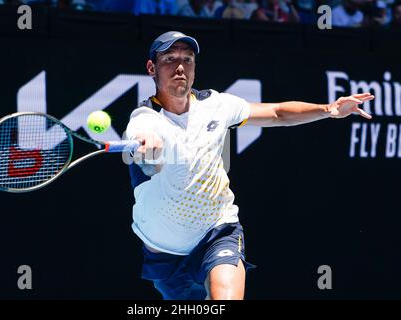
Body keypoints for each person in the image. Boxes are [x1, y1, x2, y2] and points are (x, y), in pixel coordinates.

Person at [125, 31, 374, 300]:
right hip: (164, 251)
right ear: (152, 68)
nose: (180, 67)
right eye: (170, 59)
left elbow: (278, 113)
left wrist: (329, 109)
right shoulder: (144, 118)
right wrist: (148, 150)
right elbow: (144, 145)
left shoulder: (216, 105)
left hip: (218, 231)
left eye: (188, 59)